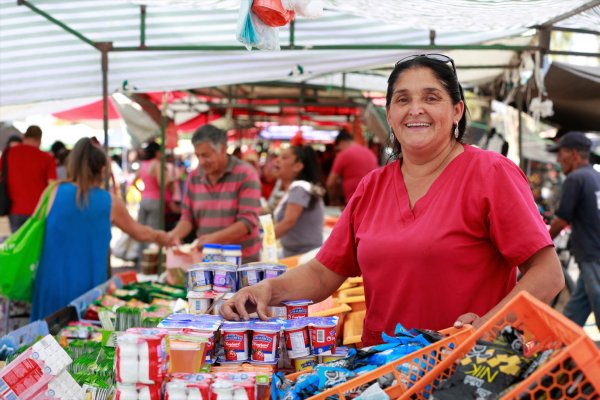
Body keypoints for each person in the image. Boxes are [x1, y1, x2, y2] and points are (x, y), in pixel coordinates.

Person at [221, 54, 564, 346]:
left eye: (431, 98)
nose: (416, 110)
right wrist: (267, 290)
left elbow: (547, 274)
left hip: (466, 370)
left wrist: (491, 327)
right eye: (402, 100)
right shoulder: (373, 186)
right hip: (385, 373)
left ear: (457, 110)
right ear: (389, 115)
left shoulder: (491, 173)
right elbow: (323, 274)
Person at [31, 138, 170, 320]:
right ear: (103, 170)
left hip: (49, 284)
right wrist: (164, 237)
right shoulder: (110, 202)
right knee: (81, 342)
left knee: (43, 342)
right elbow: (140, 232)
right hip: (87, 291)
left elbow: (34, 231)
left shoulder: (52, 192)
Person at [167, 125, 261, 262]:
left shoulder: (246, 174)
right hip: (207, 259)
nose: (201, 161)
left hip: (242, 260)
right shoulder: (194, 177)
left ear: (223, 149)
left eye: (206, 155)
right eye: (198, 155)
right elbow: (187, 218)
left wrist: (212, 240)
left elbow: (247, 222)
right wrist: (174, 235)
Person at [548, 131, 600, 330]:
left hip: (592, 253)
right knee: (577, 308)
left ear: (575, 154)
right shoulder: (596, 176)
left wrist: (540, 242)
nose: (558, 159)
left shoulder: (575, 178)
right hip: (594, 251)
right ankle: (561, 349)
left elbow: (562, 220)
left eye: (561, 153)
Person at [0, 125, 56, 232]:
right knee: (37, 246)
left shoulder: (8, 153)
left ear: (24, 137)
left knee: (19, 246)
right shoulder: (47, 158)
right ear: (39, 139)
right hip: (39, 211)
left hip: (14, 210)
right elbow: (52, 185)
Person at [273, 145, 325, 257]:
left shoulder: (299, 189)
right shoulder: (296, 189)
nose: (277, 160)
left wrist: (261, 241)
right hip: (295, 254)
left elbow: (288, 222)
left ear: (298, 166)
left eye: (284, 158)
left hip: (303, 256)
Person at [134, 141, 170, 264]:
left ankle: (141, 262)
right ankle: (151, 263)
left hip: (144, 200)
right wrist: (168, 179)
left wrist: (142, 191)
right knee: (153, 233)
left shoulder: (143, 164)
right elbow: (161, 184)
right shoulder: (157, 164)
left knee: (141, 231)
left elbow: (134, 182)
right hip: (155, 200)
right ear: (156, 152)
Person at [326, 129, 378, 205]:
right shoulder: (370, 153)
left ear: (341, 143)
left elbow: (330, 183)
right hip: (373, 200)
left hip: (354, 202)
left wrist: (333, 200)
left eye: (338, 149)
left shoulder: (343, 155)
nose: (337, 152)